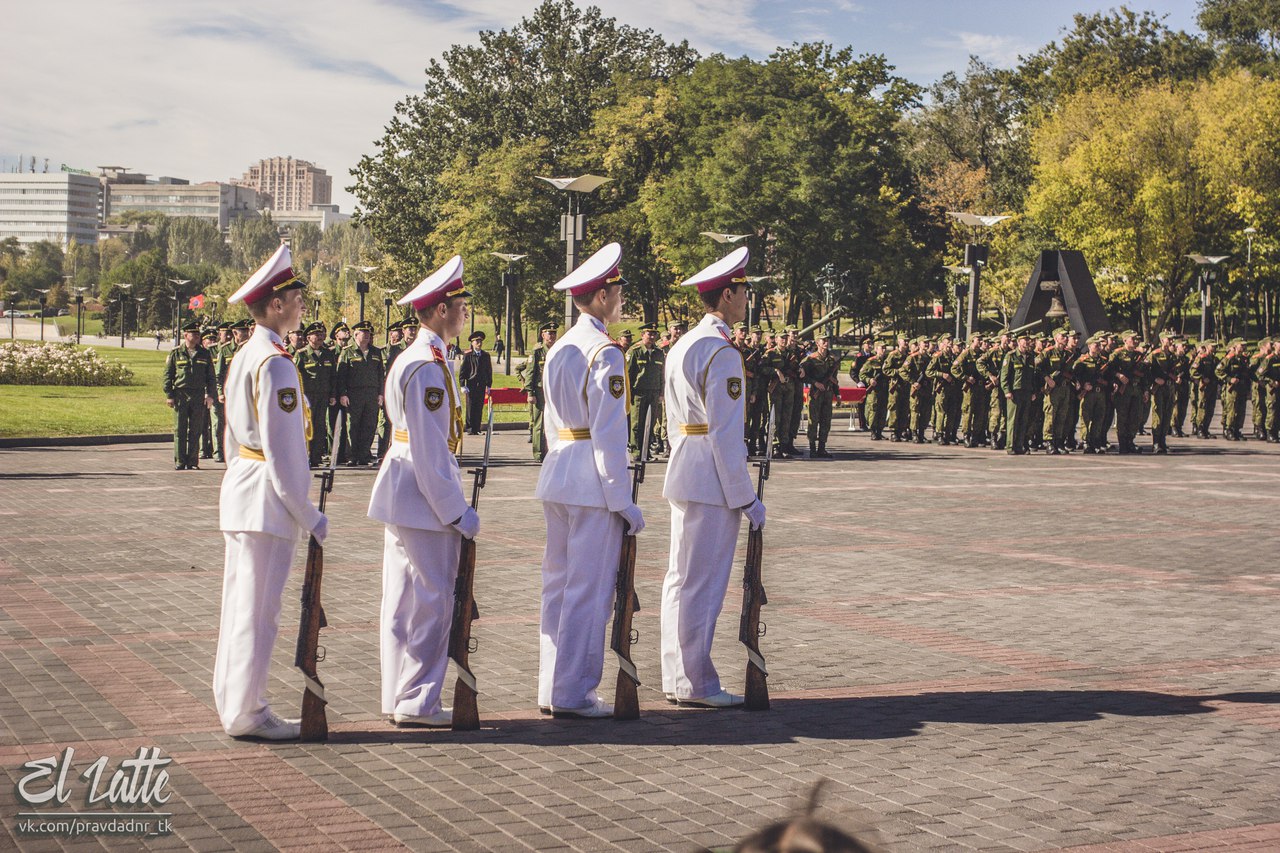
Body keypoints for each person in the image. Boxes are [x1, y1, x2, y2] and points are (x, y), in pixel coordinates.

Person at [214, 242, 327, 741]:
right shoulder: (277, 363)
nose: (303, 305)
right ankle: (249, 713)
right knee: (259, 615)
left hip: (244, 489)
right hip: (266, 500)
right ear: (276, 304)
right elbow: (283, 453)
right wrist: (308, 514)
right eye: (297, 298)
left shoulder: (247, 354)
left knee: (240, 607)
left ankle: (234, 703)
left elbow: (228, 436)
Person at [534, 242, 644, 719]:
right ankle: (574, 691)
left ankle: (551, 685)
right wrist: (622, 499)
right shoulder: (605, 352)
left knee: (557, 586)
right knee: (588, 590)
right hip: (591, 483)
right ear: (601, 297)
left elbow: (549, 422)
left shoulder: (560, 346)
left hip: (559, 470)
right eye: (616, 291)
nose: (621, 298)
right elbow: (608, 434)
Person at [368, 256, 477, 728]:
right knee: (433, 597)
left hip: (403, 488)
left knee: (402, 599)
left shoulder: (416, 359)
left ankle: (400, 693)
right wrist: (457, 512)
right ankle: (417, 700)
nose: (465, 313)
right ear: (438, 312)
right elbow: (432, 452)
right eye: (460, 305)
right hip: (423, 492)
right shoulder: (427, 366)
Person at [661, 246, 763, 708]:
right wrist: (746, 497)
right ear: (727, 295)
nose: (748, 298)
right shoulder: (720, 351)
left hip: (686, 465)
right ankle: (696, 682)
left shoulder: (684, 343)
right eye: (743, 290)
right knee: (702, 583)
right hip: (711, 478)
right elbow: (725, 434)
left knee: (682, 579)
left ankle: (678, 675)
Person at [163, 320, 217, 470]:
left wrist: (210, 395)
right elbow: (168, 375)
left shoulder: (204, 354)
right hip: (181, 394)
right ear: (185, 335)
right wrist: (169, 395)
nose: (197, 336)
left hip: (198, 395)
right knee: (180, 429)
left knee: (196, 429)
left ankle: (192, 461)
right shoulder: (176, 353)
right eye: (193, 334)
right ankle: (180, 461)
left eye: (198, 334)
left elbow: (211, 377)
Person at [336, 320, 384, 466]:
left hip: (371, 393)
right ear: (356, 335)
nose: (367, 336)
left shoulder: (376, 352)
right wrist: (343, 393)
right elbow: (341, 375)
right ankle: (351, 455)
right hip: (354, 394)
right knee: (353, 425)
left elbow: (380, 374)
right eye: (364, 333)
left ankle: (364, 455)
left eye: (369, 333)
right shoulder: (347, 351)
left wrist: (380, 393)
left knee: (369, 425)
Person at [295, 322, 336, 467]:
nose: (320, 337)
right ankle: (305, 455)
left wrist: (332, 394)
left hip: (323, 395)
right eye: (316, 335)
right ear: (308, 337)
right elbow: (296, 376)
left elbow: (332, 376)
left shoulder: (328, 354)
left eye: (321, 334)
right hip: (308, 397)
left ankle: (316, 457)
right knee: (307, 426)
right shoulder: (302, 354)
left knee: (320, 426)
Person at [626, 322, 665, 459]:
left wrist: (661, 392)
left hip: (654, 392)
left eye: (654, 334)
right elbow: (628, 374)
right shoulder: (634, 352)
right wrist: (628, 393)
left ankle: (646, 452)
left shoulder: (659, 353)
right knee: (637, 423)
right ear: (642, 335)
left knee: (651, 422)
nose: (652, 336)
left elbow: (662, 374)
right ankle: (636, 452)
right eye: (649, 333)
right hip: (638, 392)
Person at [520, 322, 557, 462]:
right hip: (540, 390)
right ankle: (539, 453)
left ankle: (550, 450)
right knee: (539, 423)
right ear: (543, 334)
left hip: (553, 390)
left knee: (553, 421)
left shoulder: (558, 349)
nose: (552, 336)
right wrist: (530, 392)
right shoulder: (537, 351)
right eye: (549, 333)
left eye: (554, 333)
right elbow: (530, 372)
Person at [803, 331, 838, 458]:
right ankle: (812, 448)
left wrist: (837, 393)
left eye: (827, 340)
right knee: (813, 420)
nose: (826, 343)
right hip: (815, 394)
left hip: (828, 394)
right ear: (818, 343)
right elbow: (802, 375)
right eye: (823, 341)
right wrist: (815, 383)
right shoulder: (811, 359)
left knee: (826, 421)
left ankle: (822, 448)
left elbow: (834, 378)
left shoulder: (832, 359)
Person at [458, 331, 492, 435]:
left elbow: (488, 371)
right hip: (471, 385)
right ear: (472, 343)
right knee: (470, 407)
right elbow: (463, 372)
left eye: (480, 341)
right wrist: (463, 385)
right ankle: (470, 428)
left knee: (479, 407)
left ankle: (477, 428)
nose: (479, 343)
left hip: (481, 385)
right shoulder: (468, 356)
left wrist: (489, 385)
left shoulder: (485, 355)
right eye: (477, 341)